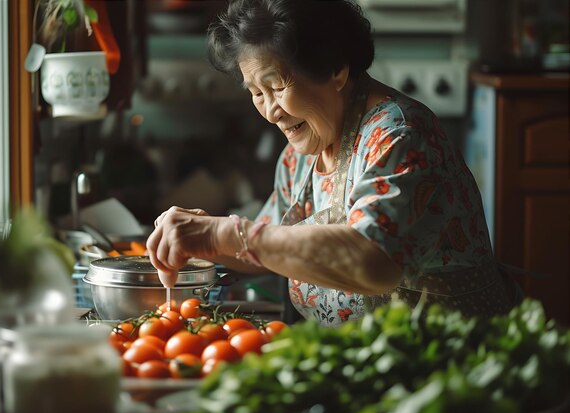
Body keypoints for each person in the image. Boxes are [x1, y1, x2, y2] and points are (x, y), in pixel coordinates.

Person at [146, 0, 522, 326]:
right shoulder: (300, 155)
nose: (271, 111)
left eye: (277, 86)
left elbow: (372, 259)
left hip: (448, 369)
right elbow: (266, 241)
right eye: (257, 93)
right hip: (364, 367)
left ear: (335, 69)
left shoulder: (400, 137)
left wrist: (222, 235)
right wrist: (199, 237)